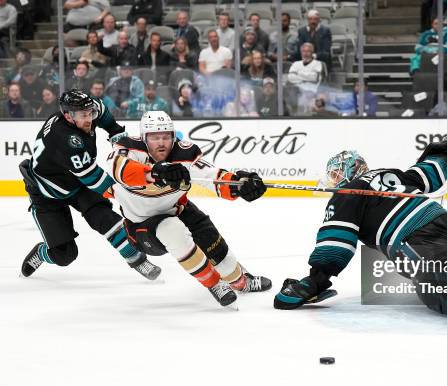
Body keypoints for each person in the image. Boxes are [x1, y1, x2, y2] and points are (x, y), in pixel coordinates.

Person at [273, 140, 447, 327]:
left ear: (348, 172)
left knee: (430, 287)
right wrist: (444, 154)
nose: (331, 181)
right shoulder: (390, 173)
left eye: (334, 174)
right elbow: (428, 173)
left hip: (411, 237)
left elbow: (336, 244)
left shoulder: (347, 193)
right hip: (442, 219)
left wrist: (316, 280)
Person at [107, 111, 271, 306]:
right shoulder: (129, 148)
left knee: (217, 250)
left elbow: (211, 176)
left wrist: (239, 185)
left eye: (166, 136)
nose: (161, 143)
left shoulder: (185, 153)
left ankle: (241, 281)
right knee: (172, 230)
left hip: (178, 209)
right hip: (142, 225)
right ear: (144, 138)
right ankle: (214, 283)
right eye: (155, 137)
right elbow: (118, 168)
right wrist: (155, 173)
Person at [18, 90, 160, 280]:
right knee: (65, 255)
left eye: (90, 113)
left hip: (75, 181)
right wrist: (125, 191)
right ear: (68, 116)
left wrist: (116, 132)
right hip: (47, 193)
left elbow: (104, 114)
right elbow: (92, 177)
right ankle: (41, 253)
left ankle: (136, 259)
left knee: (105, 217)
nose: (89, 119)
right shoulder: (65, 138)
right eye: (83, 115)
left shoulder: (86, 109)